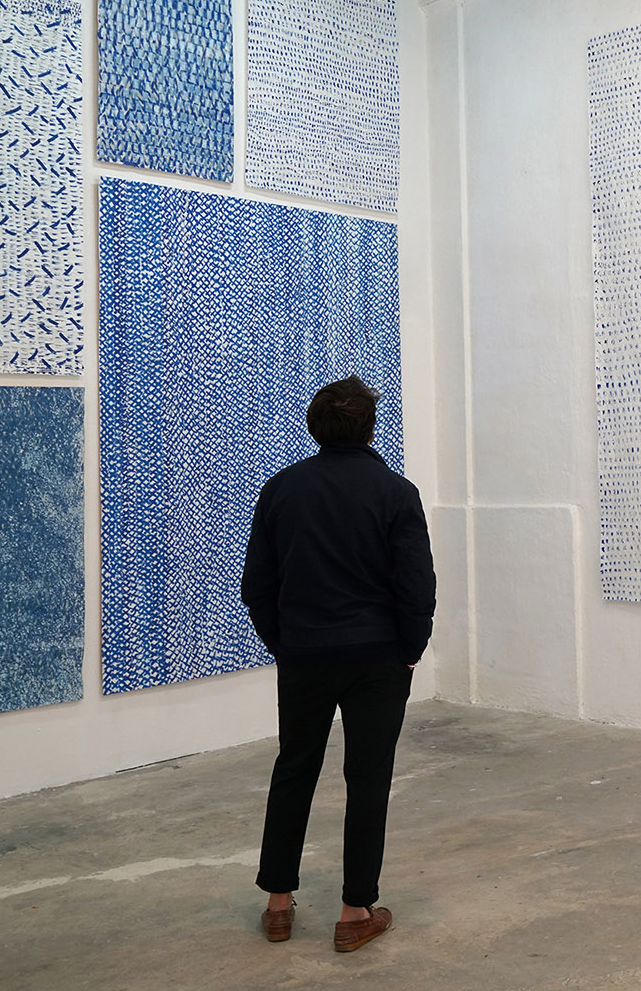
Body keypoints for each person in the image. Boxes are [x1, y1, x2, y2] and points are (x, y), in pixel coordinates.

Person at [240, 376, 436, 953]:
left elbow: (258, 585)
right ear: (370, 429)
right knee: (368, 777)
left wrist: (284, 643)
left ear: (315, 428)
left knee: (294, 767)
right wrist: (410, 650)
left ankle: (278, 905)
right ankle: (355, 912)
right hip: (378, 656)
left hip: (304, 653)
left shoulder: (282, 489)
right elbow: (416, 585)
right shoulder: (396, 493)